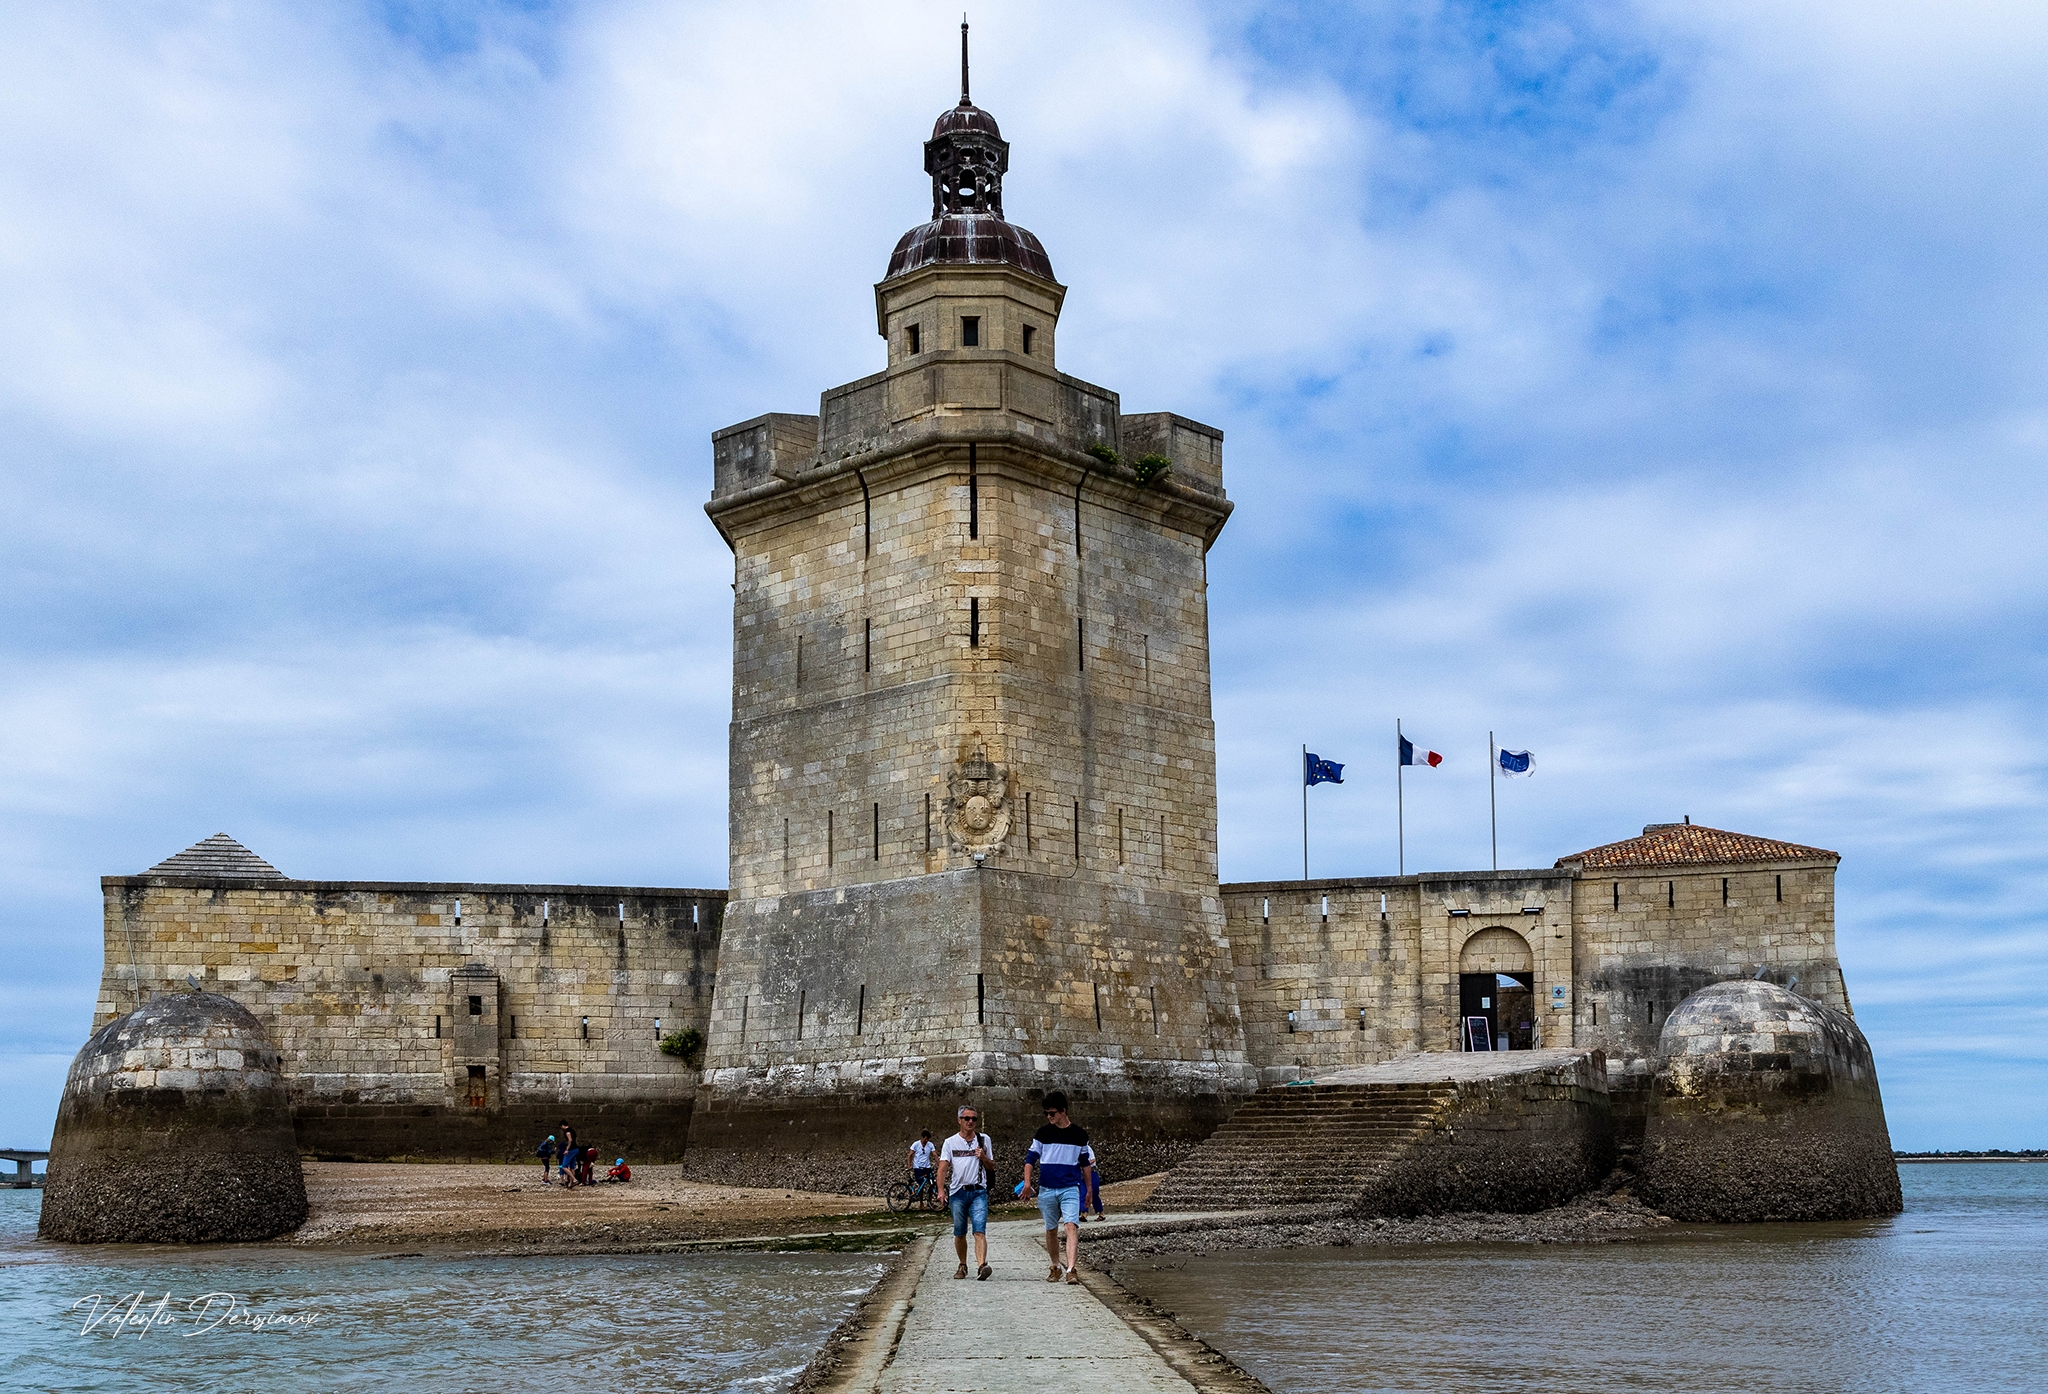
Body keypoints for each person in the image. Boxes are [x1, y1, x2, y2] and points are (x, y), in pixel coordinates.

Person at [1021, 1090, 1094, 1285]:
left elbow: (1085, 1164)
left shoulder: (1079, 1135)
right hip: (1047, 1189)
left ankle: (1071, 1268)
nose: (1049, 1117)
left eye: (1052, 1113)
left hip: (1070, 1187)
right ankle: (1056, 1266)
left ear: (1063, 1111)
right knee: (1051, 1229)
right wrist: (1027, 1183)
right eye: (1046, 1113)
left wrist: (1089, 1190)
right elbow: (1030, 1160)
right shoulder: (1043, 1133)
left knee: (1071, 1225)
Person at [936, 1104, 994, 1282]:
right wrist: (940, 1190)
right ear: (959, 1120)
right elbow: (943, 1168)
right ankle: (962, 1264)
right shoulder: (950, 1142)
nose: (970, 1122)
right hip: (958, 1192)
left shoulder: (984, 1140)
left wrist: (983, 1157)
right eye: (967, 1118)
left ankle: (981, 1266)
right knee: (959, 1232)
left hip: (978, 1191)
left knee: (979, 1231)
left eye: (974, 1119)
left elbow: (991, 1166)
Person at [908, 1129, 936, 1199]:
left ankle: (930, 1202)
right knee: (921, 1185)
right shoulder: (916, 1144)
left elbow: (935, 1155)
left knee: (932, 1183)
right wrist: (909, 1165)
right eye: (925, 1139)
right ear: (922, 1137)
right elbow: (910, 1155)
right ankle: (921, 1204)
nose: (926, 1141)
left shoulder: (930, 1145)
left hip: (927, 1167)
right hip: (918, 1167)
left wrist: (940, 1164)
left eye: (928, 1140)